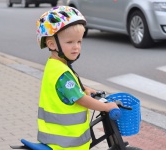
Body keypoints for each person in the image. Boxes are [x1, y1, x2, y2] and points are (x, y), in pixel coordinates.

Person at [36, 6, 118, 150]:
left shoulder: (55, 65)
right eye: (70, 42)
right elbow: (80, 99)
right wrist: (106, 107)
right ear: (51, 44)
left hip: (57, 138)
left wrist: (85, 89)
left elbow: (67, 90)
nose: (76, 47)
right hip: (66, 143)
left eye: (79, 42)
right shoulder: (62, 73)